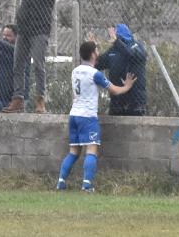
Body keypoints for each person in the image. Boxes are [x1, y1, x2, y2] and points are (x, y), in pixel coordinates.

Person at [56, 40, 135, 192]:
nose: (99, 52)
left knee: (73, 152)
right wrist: (127, 86)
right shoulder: (95, 74)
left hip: (74, 115)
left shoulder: (75, 71)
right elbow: (113, 90)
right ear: (93, 54)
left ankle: (61, 182)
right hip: (87, 117)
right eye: (97, 50)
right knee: (91, 151)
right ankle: (87, 185)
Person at [0, 0, 59, 114]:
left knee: (39, 65)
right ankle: (18, 99)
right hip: (24, 30)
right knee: (17, 64)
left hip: (40, 31)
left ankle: (40, 100)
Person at [94, 24, 148, 116]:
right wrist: (93, 48)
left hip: (135, 101)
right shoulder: (112, 51)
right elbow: (98, 64)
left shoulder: (137, 46)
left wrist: (117, 42)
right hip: (117, 102)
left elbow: (132, 55)